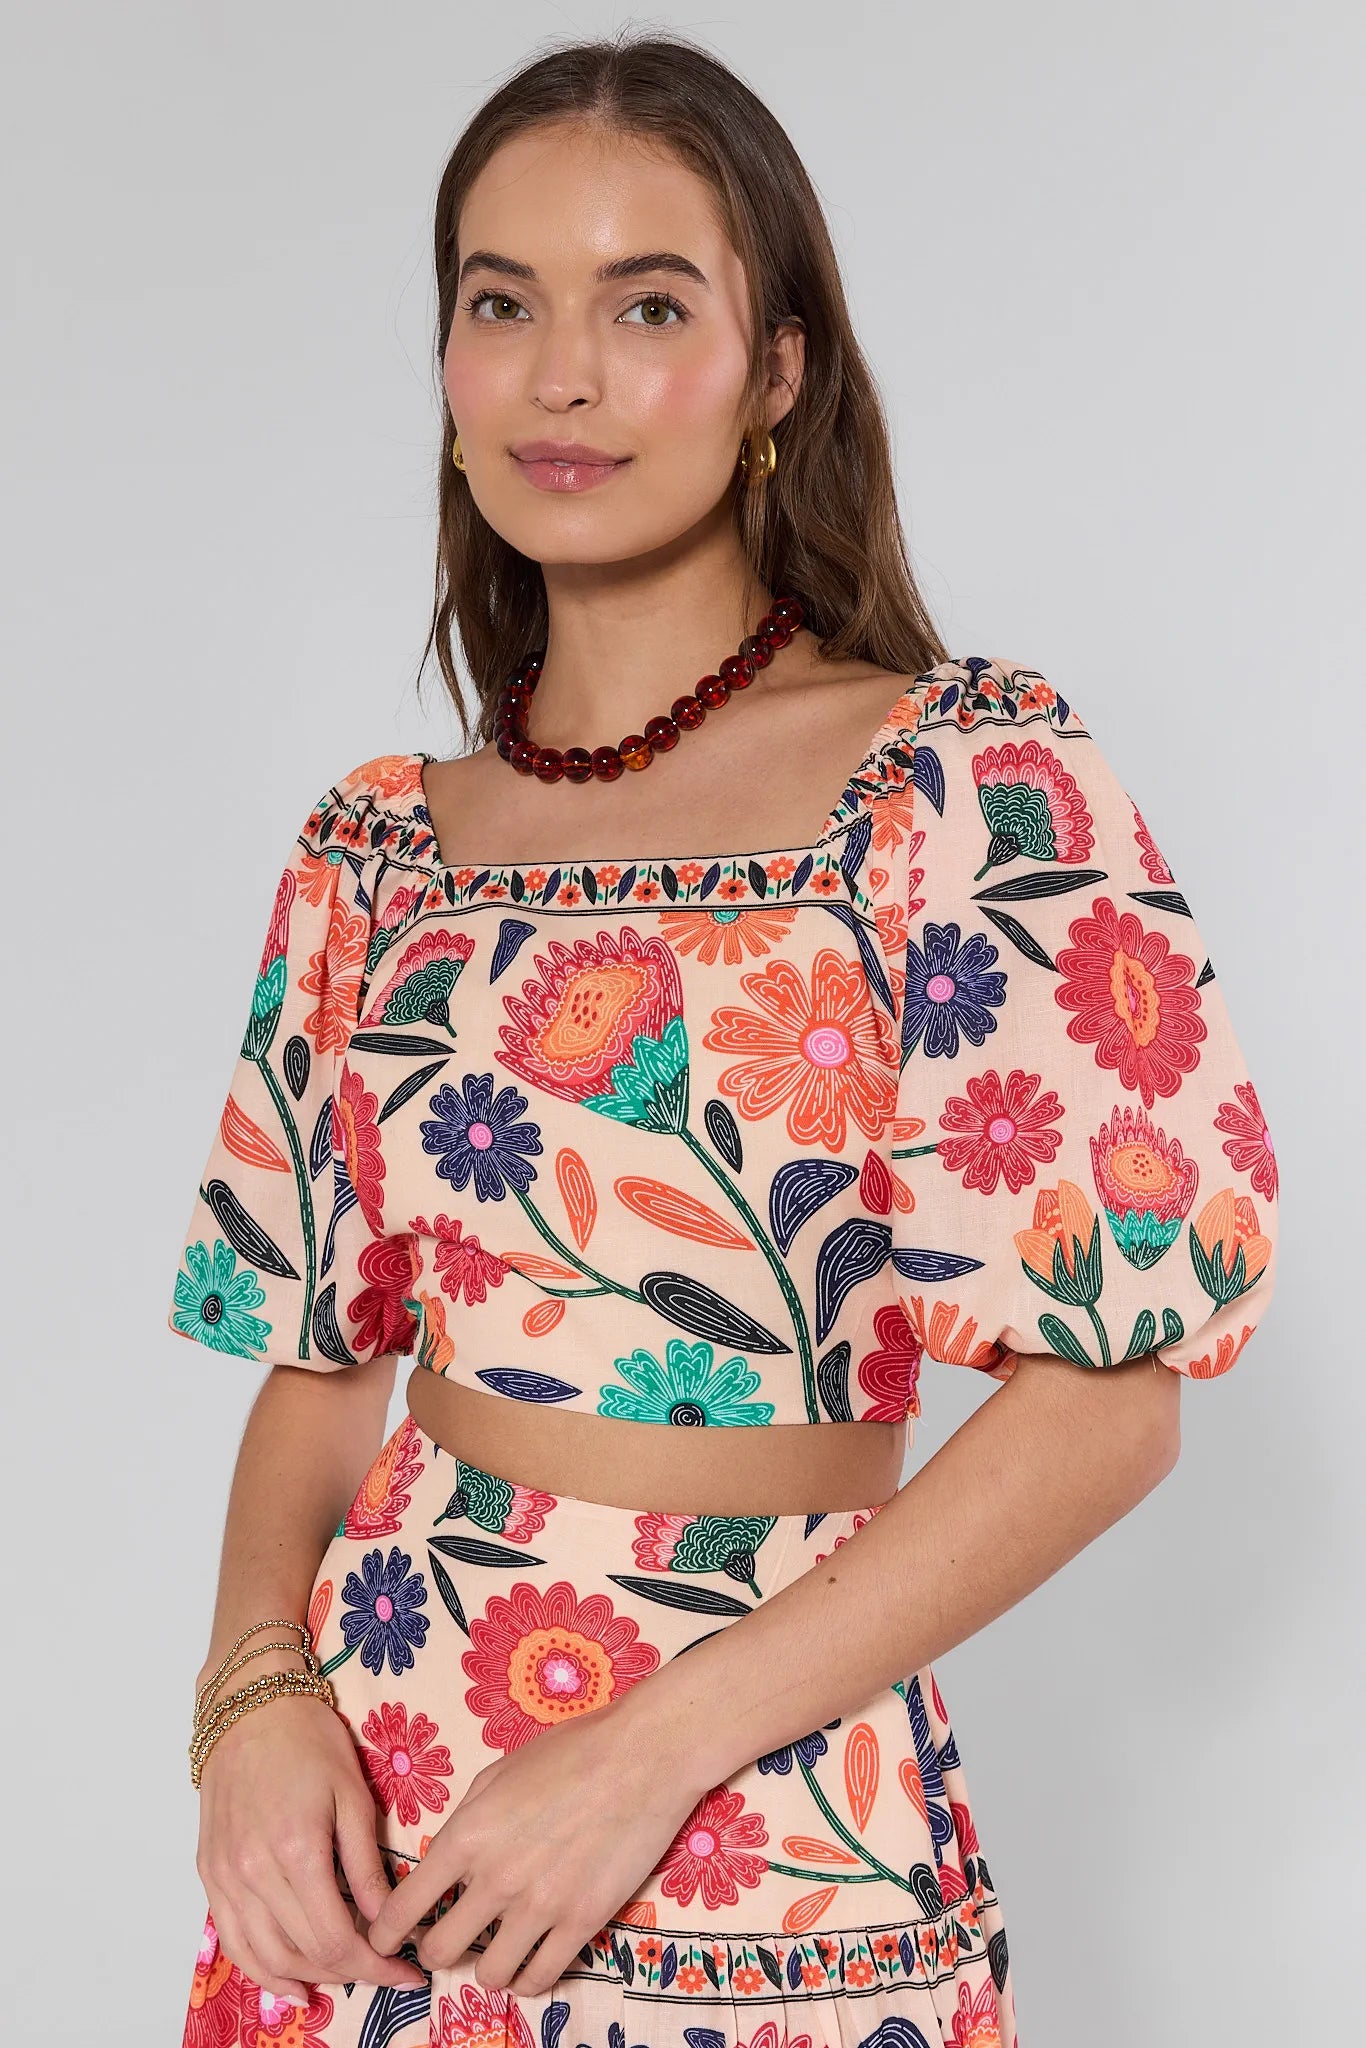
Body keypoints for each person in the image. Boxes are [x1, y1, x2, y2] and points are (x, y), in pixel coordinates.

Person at [169, 31, 1280, 2048]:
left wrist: (639, 1754)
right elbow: (322, 1373)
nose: (559, 376)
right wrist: (249, 1703)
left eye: (646, 304)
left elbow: (1104, 1400)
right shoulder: (374, 851)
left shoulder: (959, 786)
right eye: (497, 303)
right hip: (376, 1802)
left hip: (757, 1800)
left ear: (778, 368)